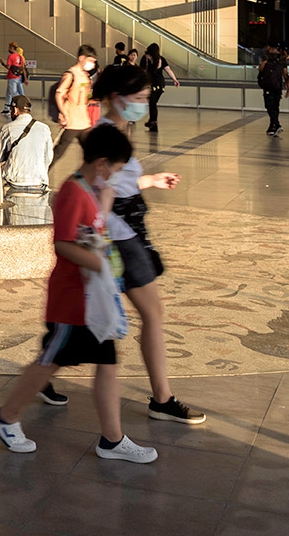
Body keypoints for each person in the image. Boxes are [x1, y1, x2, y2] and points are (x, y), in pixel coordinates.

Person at [0, 122, 157, 462]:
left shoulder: (90, 190)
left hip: (90, 301)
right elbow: (63, 244)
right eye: (115, 170)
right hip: (71, 302)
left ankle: (112, 439)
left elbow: (92, 230)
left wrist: (105, 205)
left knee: (106, 361)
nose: (115, 177)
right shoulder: (72, 192)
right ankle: (6, 417)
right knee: (49, 361)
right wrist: (100, 264)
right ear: (102, 163)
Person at [91, 63, 205, 424]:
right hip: (121, 234)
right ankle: (162, 398)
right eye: (139, 98)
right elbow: (101, 189)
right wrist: (103, 236)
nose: (144, 104)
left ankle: (45, 372)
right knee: (150, 314)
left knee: (100, 318)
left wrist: (151, 180)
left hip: (128, 230)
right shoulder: (106, 134)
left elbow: (119, 181)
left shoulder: (117, 129)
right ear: (116, 97)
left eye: (146, 97)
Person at [51, 45, 98, 168]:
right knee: (58, 152)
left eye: (94, 61)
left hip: (84, 122)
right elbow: (59, 94)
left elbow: (85, 97)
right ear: (81, 58)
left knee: (92, 153)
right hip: (72, 121)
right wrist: (63, 113)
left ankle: (94, 175)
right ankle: (41, 174)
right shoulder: (70, 74)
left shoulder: (85, 75)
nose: (92, 64)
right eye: (90, 60)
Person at [0, 95, 53, 194]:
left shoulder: (6, 129)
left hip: (14, 183)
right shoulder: (44, 128)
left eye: (11, 110)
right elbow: (48, 157)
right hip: (39, 183)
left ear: (15, 110)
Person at [142, 43, 177, 130]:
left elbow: (142, 71)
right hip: (161, 84)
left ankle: (153, 122)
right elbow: (168, 70)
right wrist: (174, 79)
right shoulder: (161, 59)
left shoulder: (145, 58)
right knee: (153, 103)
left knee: (152, 103)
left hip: (151, 84)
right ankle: (152, 121)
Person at [257, 46, 285, 135]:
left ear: (269, 47)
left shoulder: (266, 56)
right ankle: (272, 127)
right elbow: (285, 73)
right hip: (278, 86)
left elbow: (261, 68)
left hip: (268, 86)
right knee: (275, 106)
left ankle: (277, 124)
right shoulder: (281, 58)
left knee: (269, 106)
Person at [2, 42, 28, 116]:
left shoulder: (11, 56)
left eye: (9, 47)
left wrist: (2, 64)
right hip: (18, 77)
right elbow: (22, 68)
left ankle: (20, 105)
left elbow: (8, 67)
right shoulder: (19, 56)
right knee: (9, 93)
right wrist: (25, 78)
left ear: (11, 48)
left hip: (12, 77)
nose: (8, 49)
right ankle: (6, 108)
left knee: (14, 93)